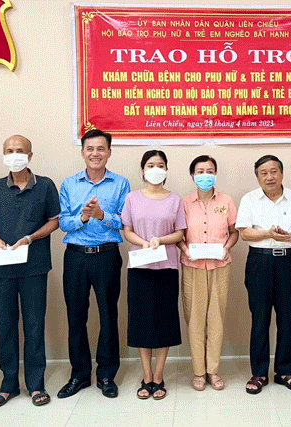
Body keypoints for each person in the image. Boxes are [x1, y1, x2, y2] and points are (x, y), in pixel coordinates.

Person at [0, 135, 60, 408]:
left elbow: (54, 222)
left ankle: (36, 385)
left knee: (35, 325)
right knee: (5, 326)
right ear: (3, 154)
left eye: (20, 151)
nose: (15, 155)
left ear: (30, 155)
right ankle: (8, 384)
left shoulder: (45, 185)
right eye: (10, 151)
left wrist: (30, 238)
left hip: (34, 266)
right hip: (2, 268)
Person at [57, 129, 130, 399]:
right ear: (82, 152)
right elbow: (63, 222)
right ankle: (79, 375)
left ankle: (106, 375)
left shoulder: (121, 184)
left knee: (109, 316)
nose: (95, 153)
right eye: (90, 148)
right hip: (76, 255)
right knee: (76, 317)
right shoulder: (69, 184)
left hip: (107, 254)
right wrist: (84, 219)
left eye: (101, 148)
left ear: (109, 152)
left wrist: (102, 214)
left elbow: (123, 221)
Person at [236, 155, 291, 395]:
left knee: (287, 318)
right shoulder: (249, 199)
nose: (269, 177)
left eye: (274, 172)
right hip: (259, 262)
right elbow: (245, 234)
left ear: (281, 173)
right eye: (263, 173)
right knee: (260, 319)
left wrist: (287, 236)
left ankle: (285, 371)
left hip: (287, 262)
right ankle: (259, 373)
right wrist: (269, 233)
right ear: (257, 176)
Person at [121, 150, 186, 400]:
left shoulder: (175, 199)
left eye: (160, 165)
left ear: (166, 170)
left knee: (164, 320)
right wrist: (144, 242)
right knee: (141, 321)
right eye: (150, 165)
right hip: (140, 266)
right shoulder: (132, 198)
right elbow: (127, 230)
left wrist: (160, 240)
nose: (155, 168)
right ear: (142, 170)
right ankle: (146, 376)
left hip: (167, 267)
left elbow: (180, 233)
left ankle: (159, 376)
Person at [177, 155, 239, 391]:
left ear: (215, 174)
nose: (205, 175)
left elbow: (234, 232)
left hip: (219, 266)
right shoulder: (183, 203)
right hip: (192, 266)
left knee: (216, 318)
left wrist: (226, 248)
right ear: (193, 175)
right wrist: (185, 249)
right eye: (200, 171)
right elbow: (178, 234)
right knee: (194, 319)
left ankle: (213, 370)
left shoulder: (226, 200)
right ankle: (198, 371)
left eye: (210, 170)